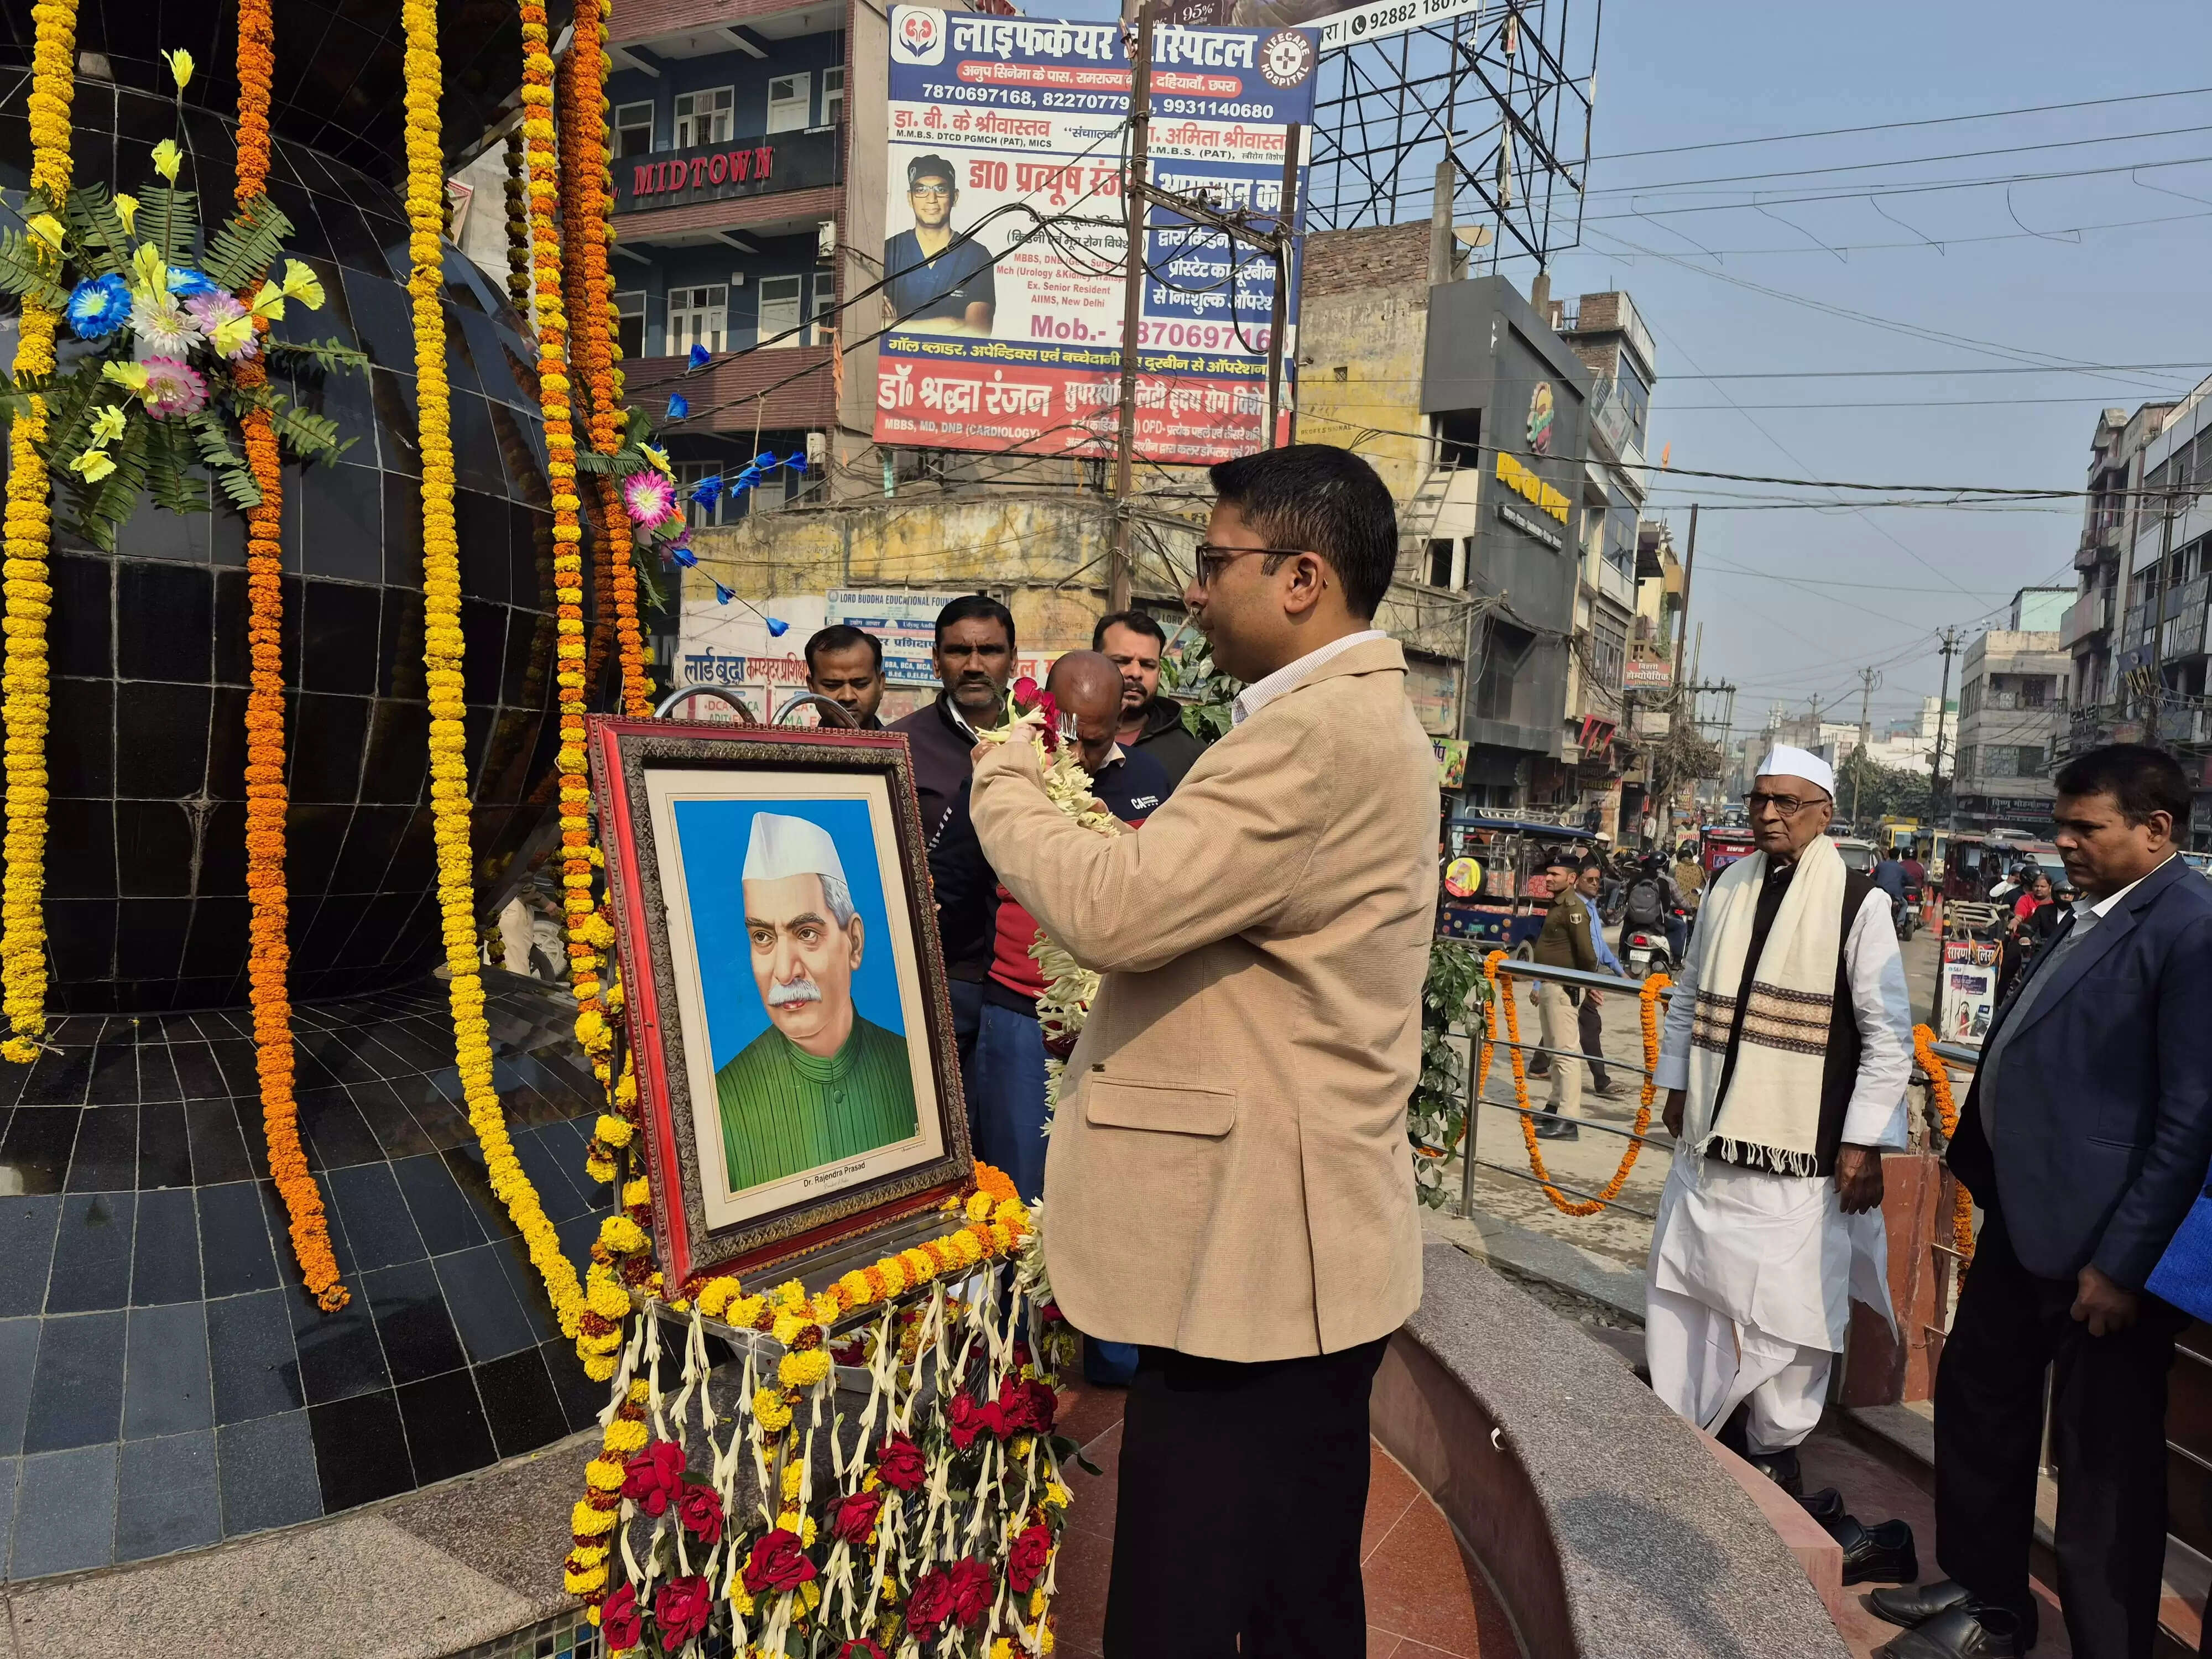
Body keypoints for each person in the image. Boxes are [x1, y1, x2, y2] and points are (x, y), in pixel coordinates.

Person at [969, 444, 1432, 1655]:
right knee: (1289, 1595)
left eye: (1214, 560)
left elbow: (1118, 906)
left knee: (1186, 1601)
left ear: (1301, 578)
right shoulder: (1336, 720)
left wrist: (1009, 777)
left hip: (1256, 1261)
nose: (1192, 591)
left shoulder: (1314, 736)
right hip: (1288, 1247)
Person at [1872, 745, 2212, 1659]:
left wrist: (2122, 1265)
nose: (2064, 843)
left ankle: (2109, 1643)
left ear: (2157, 830)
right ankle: (1988, 1602)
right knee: (1982, 1405)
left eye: (2086, 828)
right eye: (2061, 825)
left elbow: (2189, 1119)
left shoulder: (2190, 928)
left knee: (2102, 1467)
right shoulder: (2090, 914)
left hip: (2105, 1253)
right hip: (2026, 1224)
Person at [1645, 744, 1912, 1497]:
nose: (1767, 814)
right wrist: (1675, 1081)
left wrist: (1863, 1143)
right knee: (1690, 1286)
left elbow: (1889, 1034)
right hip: (1710, 1141)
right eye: (1760, 799)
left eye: (1787, 802)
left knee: (1787, 1312)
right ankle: (1690, 1425)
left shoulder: (1860, 903)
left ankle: (1774, 1446)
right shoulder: (1728, 885)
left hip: (1801, 1153)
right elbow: (1691, 994)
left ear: (1825, 813)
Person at [973, 651, 1168, 1203]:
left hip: (1115, 1021)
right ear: (1046, 712)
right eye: (1068, 735)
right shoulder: (1007, 773)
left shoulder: (1150, 777)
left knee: (1097, 1198)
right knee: (1016, 1195)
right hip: (1019, 1016)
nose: (1079, 756)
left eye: (1096, 739)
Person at [712, 813, 919, 1191]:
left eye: (806, 933)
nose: (785, 972)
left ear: (854, 942)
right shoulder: (720, 1104)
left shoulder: (915, 1068)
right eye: (762, 937)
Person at [889, 594, 1016, 1109]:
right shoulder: (899, 746)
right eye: (959, 651)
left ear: (1012, 657)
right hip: (942, 980)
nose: (974, 665)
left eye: (989, 651)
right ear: (935, 659)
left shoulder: (1046, 735)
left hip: (1027, 987)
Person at [1095, 608, 1207, 792]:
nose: (1136, 673)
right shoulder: (1057, 739)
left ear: (1159, 673)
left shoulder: (1192, 756)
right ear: (1093, 662)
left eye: (1147, 665)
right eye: (1122, 661)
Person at [882, 153, 996, 334]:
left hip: (954, 362)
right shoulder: (889, 252)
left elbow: (977, 332)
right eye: (921, 190)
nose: (931, 199)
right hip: (894, 361)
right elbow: (868, 325)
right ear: (910, 198)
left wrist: (891, 324)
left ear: (955, 197)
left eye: (940, 190)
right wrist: (952, 324)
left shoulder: (976, 256)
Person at [1530, 852, 1599, 1139]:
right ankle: (1555, 1107)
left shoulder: (1573, 908)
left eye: (1554, 874)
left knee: (1566, 1054)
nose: (1548, 878)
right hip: (1549, 986)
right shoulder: (1558, 904)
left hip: (1562, 989)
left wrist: (1588, 984)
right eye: (1548, 873)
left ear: (1571, 879)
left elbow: (1586, 953)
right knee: (1554, 1052)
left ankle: (1569, 1121)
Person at [803, 623, 886, 729]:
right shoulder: (787, 746)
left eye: (861, 684)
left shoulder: (909, 746)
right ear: (812, 687)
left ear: (881, 684)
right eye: (832, 686)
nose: (847, 697)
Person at [1673, 840, 1707, 916]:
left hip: (1677, 906)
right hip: (1694, 907)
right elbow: (1704, 888)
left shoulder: (1676, 868)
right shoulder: (1699, 869)